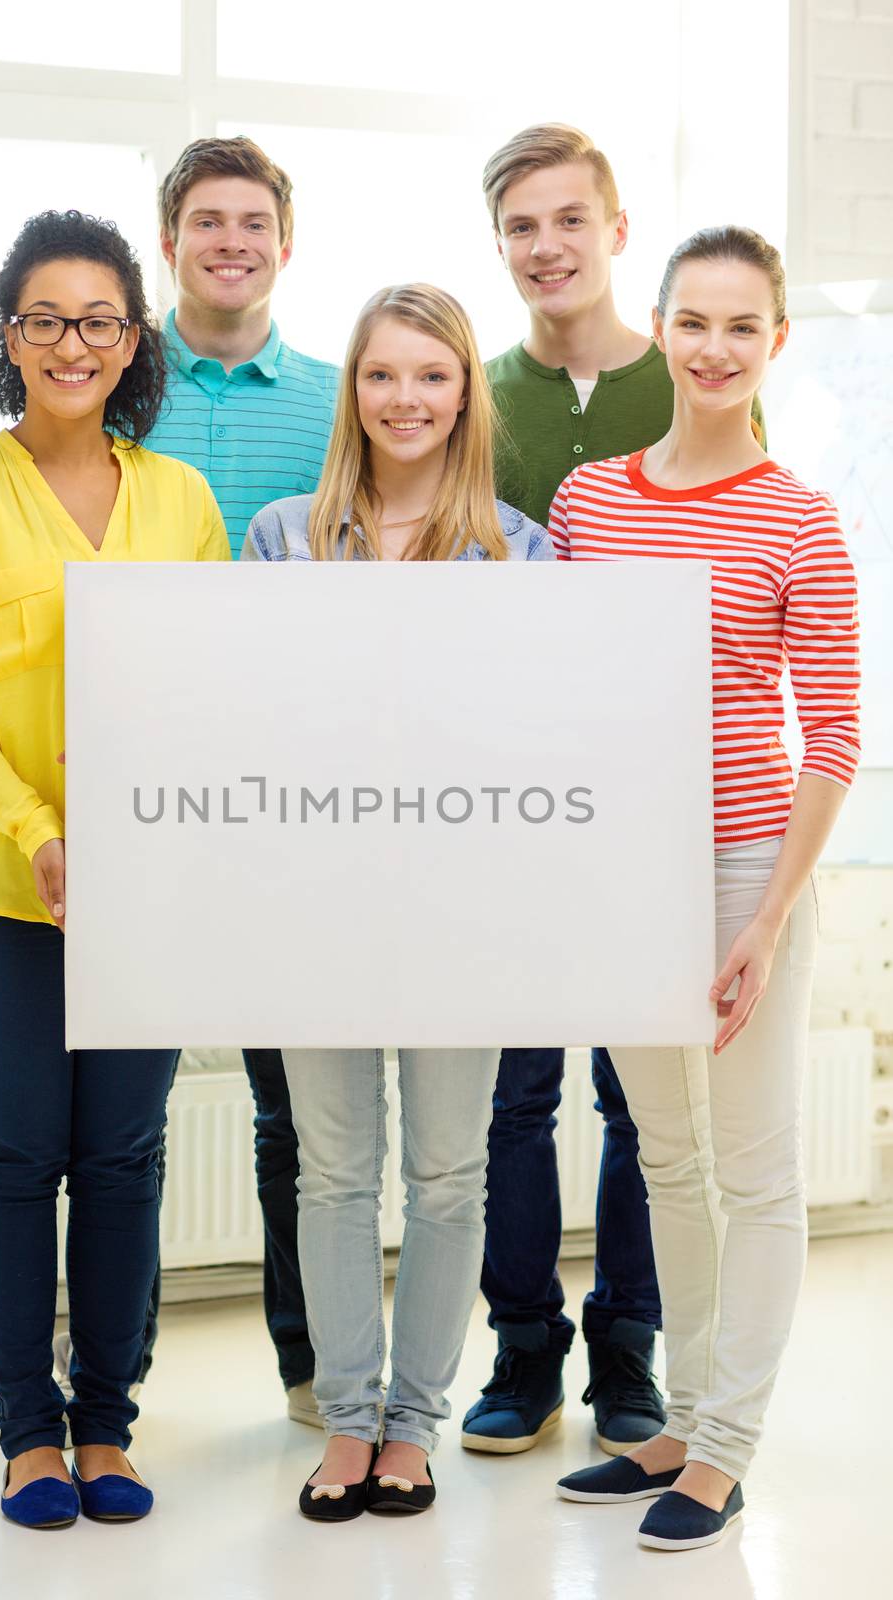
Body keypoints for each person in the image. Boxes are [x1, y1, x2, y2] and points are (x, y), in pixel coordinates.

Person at [0, 211, 229, 1530]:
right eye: (44, 318)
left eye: (97, 319)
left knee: (127, 1157)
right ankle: (28, 1435)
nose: (71, 342)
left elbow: (205, 692)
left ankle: (107, 1426)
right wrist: (36, 828)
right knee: (20, 1154)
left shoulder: (181, 500)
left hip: (150, 895)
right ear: (9, 335)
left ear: (132, 338)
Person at [553, 226, 859, 1550]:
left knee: (752, 1169)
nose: (714, 348)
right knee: (664, 1161)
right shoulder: (587, 504)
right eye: (694, 321)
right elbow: (550, 704)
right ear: (659, 328)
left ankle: (724, 1450)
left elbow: (830, 735)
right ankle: (678, 1422)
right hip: (621, 867)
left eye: (742, 326)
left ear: (771, 343)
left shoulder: (799, 518)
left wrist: (765, 918)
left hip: (744, 869)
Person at [462, 123, 764, 1459]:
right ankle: (521, 1351)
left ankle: (625, 1358)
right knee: (514, 1095)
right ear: (500, 248)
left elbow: (755, 547)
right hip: (515, 807)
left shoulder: (693, 375)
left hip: (661, 815)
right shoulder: (474, 395)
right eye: (520, 228)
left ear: (614, 231)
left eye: (566, 221)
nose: (545, 248)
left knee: (641, 1106)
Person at [242, 283, 554, 1520]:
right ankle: (344, 1416)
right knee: (330, 1173)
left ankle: (411, 1425)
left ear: (465, 392)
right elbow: (255, 722)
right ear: (352, 393)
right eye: (383, 375)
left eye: (432, 375)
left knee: (446, 1175)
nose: (406, 399)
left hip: (458, 910)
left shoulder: (515, 550)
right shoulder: (279, 537)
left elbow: (533, 739)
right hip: (312, 903)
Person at [133, 135, 338, 1423]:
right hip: (136, 777)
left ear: (283, 241)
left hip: (289, 794)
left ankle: (309, 1363)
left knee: (291, 1110)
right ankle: (112, 1385)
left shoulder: (334, 397)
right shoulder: (107, 380)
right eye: (206, 221)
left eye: (252, 222)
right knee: (122, 1112)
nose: (230, 241)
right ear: (169, 241)